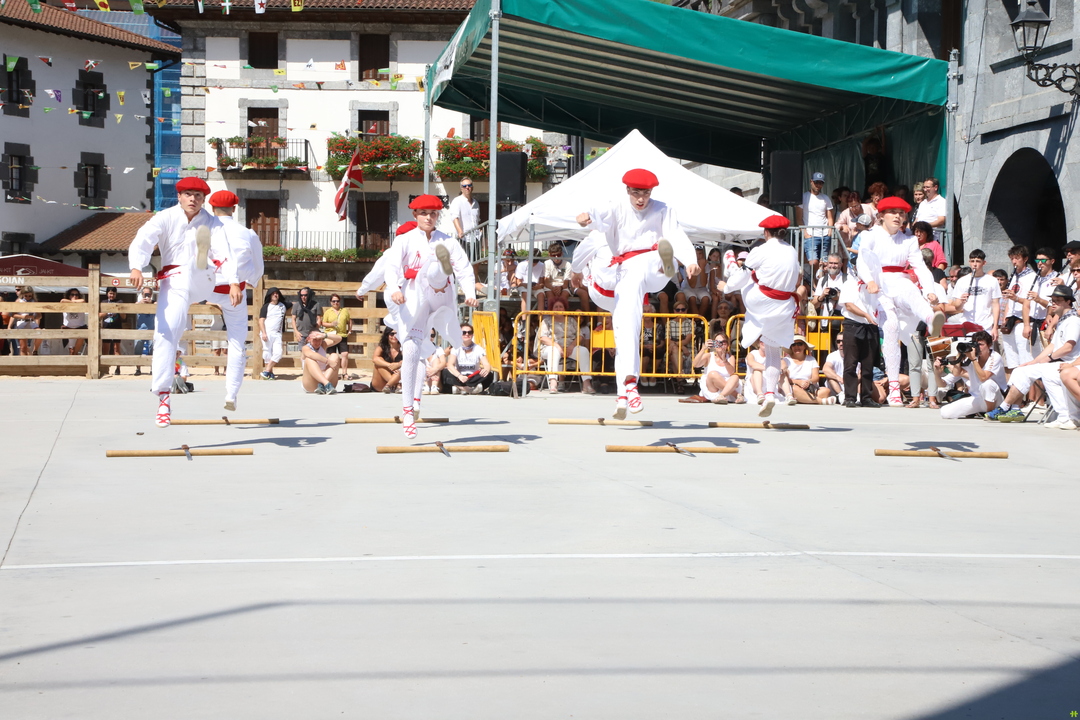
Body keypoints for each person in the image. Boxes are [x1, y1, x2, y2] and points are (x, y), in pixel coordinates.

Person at [573, 168, 698, 419]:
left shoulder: (662, 209)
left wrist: (690, 259)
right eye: (637, 194)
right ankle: (626, 391)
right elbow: (598, 215)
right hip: (613, 283)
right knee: (626, 334)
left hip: (645, 270)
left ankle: (667, 262)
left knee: (629, 326)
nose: (642, 199)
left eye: (646, 194)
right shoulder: (614, 210)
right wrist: (587, 218)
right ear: (628, 190)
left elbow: (676, 233)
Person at [128, 176, 235, 427]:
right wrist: (136, 267)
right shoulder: (165, 217)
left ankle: (200, 257)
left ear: (204, 199)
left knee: (199, 265)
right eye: (188, 194)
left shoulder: (212, 222)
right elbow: (143, 239)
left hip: (203, 278)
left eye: (198, 196)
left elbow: (225, 252)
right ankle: (163, 398)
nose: (193, 199)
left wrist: (233, 281)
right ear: (179, 196)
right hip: (174, 283)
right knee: (166, 332)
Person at [382, 194, 477, 438]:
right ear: (415, 214)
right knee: (413, 350)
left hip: (440, 296)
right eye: (424, 213)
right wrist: (393, 289)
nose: (429, 217)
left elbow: (464, 268)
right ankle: (409, 409)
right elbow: (391, 267)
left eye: (433, 213)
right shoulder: (404, 239)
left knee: (437, 273)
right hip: (414, 298)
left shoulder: (447, 240)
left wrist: (469, 292)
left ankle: (439, 269)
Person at [856, 196, 945, 406]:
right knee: (891, 327)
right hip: (878, 287)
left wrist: (930, 291)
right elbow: (861, 261)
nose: (897, 216)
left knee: (910, 290)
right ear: (881, 216)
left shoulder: (909, 240)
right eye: (893, 212)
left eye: (901, 213)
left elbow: (920, 267)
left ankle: (931, 318)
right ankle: (894, 386)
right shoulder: (869, 235)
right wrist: (869, 281)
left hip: (899, 281)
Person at [717, 215, 801, 417]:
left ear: (766, 233)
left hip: (763, 300)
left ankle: (730, 264)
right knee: (773, 351)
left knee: (744, 277)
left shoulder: (761, 250)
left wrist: (727, 287)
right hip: (784, 306)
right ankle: (770, 393)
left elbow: (745, 276)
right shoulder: (792, 250)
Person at [987, 285, 1079, 426]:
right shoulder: (1063, 320)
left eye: (1058, 300)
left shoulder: (1073, 321)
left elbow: (1068, 347)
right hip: (1058, 362)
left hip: (1071, 364)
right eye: (1053, 300)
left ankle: (1065, 416)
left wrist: (1048, 358)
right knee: (1021, 369)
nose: (1054, 303)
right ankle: (1013, 408)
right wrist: (1034, 361)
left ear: (1068, 302)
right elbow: (1052, 345)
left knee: (1048, 374)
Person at [205, 190, 262, 409]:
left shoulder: (204, 230)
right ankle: (231, 393)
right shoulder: (248, 233)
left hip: (207, 288)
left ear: (212, 208)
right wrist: (251, 281)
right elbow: (258, 267)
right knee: (237, 343)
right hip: (235, 291)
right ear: (235, 209)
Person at [939, 330, 1006, 419]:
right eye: (976, 345)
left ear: (989, 345)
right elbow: (956, 373)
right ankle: (981, 411)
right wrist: (959, 355)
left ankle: (991, 413)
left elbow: (983, 377)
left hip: (997, 399)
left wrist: (973, 359)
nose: (978, 347)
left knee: (987, 384)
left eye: (981, 344)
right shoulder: (971, 356)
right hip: (977, 398)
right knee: (945, 412)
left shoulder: (995, 357)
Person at [838, 271, 881, 407]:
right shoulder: (850, 283)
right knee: (850, 364)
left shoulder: (874, 284)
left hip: (870, 325)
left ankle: (866, 397)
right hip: (853, 325)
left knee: (868, 365)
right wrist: (865, 315)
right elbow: (849, 305)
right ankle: (850, 397)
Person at [537, 298, 593, 394]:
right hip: (551, 348)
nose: (558, 309)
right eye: (556, 307)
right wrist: (558, 347)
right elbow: (543, 338)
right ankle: (553, 382)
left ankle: (586, 384)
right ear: (552, 309)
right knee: (553, 351)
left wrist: (571, 346)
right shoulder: (546, 321)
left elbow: (580, 336)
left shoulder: (571, 320)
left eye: (560, 306)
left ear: (564, 308)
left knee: (583, 351)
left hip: (570, 347)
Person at [945, 248, 1001, 339]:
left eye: (978, 261)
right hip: (967, 325)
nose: (975, 264)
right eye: (972, 261)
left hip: (986, 326)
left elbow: (996, 305)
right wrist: (961, 302)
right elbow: (957, 307)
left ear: (984, 263)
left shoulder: (992, 281)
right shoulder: (962, 281)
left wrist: (995, 327)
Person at [1000, 244, 1037, 370]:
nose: (1014, 261)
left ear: (1025, 259)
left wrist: (1016, 298)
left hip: (1022, 320)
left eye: (1017, 258)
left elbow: (1031, 301)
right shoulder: (1013, 276)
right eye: (1012, 258)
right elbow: (1009, 302)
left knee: (1025, 360)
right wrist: (1005, 317)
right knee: (1012, 361)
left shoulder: (1032, 276)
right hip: (1010, 320)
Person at [795, 171, 834, 278]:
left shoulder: (825, 198)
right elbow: (798, 218)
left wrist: (830, 231)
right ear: (811, 182)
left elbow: (830, 216)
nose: (818, 185)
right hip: (810, 234)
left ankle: (819, 283)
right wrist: (805, 233)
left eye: (821, 183)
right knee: (813, 262)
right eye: (816, 182)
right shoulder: (803, 197)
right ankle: (815, 282)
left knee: (824, 262)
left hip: (825, 234)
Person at [442, 322, 495, 394]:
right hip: (459, 376)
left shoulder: (478, 349)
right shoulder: (456, 348)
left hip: (473, 377)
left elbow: (486, 364)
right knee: (445, 372)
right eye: (463, 332)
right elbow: (450, 364)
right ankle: (468, 389)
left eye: (469, 332)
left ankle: (459, 388)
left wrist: (486, 369)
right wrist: (459, 376)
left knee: (489, 375)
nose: (467, 334)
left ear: (472, 335)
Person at [692, 331, 741, 404]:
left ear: (727, 345)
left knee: (735, 376)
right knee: (712, 374)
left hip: (727, 387)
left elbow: (731, 372)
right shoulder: (709, 356)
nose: (720, 344)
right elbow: (695, 364)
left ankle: (721, 395)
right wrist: (703, 349)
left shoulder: (730, 357)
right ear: (714, 344)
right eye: (717, 342)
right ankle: (736, 394)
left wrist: (724, 360)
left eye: (723, 342)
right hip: (713, 388)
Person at [784, 335, 832, 404]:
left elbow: (816, 378)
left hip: (809, 388)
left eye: (799, 344)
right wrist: (798, 382)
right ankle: (821, 401)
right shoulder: (786, 360)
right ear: (791, 347)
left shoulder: (811, 359)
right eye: (793, 344)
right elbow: (784, 379)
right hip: (793, 386)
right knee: (793, 389)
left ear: (805, 346)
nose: (796, 347)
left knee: (826, 391)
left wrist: (808, 382)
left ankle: (803, 398)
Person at [258, 287, 290, 380]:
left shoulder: (283, 305)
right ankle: (270, 373)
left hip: (277, 333)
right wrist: (264, 333)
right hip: (267, 332)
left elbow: (294, 304)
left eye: (277, 293)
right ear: (270, 295)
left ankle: (267, 370)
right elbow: (261, 320)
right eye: (273, 293)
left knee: (278, 353)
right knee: (267, 352)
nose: (275, 295)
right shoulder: (266, 306)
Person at [321, 293, 352, 378]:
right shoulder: (328, 312)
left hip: (342, 335)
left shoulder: (344, 311)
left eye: (337, 301)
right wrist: (331, 324)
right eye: (334, 301)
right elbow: (323, 323)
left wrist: (350, 330)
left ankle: (344, 373)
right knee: (333, 355)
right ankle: (333, 373)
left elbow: (349, 321)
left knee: (345, 354)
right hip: (331, 335)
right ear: (330, 302)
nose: (336, 303)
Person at [448, 177, 480, 252]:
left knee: (476, 259)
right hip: (464, 238)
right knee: (465, 258)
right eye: (464, 186)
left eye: (469, 185)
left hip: (476, 237)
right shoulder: (457, 201)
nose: (467, 187)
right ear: (461, 189)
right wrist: (460, 231)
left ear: (472, 187)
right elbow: (455, 217)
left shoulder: (476, 203)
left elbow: (477, 219)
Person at [100, 286, 125, 373]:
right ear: (107, 294)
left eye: (113, 293)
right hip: (106, 326)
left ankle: (118, 368)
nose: (112, 295)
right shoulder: (103, 302)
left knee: (116, 348)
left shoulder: (119, 302)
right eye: (110, 293)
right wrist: (108, 310)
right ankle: (104, 368)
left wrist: (119, 310)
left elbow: (124, 316)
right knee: (105, 348)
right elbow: (99, 315)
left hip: (117, 326)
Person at [371, 325, 403, 393]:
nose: (394, 336)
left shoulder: (403, 348)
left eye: (397, 334)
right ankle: (396, 384)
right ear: (387, 335)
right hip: (380, 383)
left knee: (401, 370)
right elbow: (374, 359)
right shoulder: (382, 347)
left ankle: (389, 385)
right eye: (392, 334)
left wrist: (398, 364)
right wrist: (389, 365)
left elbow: (410, 360)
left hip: (397, 376)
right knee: (379, 364)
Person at [915, 177, 947, 242]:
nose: (925, 189)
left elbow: (941, 220)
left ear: (935, 187)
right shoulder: (922, 203)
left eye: (928, 187)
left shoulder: (942, 202)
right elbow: (917, 220)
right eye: (924, 187)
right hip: (919, 238)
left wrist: (925, 226)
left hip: (933, 239)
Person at [133, 286, 155, 374]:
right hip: (140, 330)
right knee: (138, 349)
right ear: (142, 295)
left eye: (148, 294)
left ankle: (152, 369)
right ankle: (138, 369)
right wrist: (141, 303)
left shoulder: (154, 304)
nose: (146, 296)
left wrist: (151, 302)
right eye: (145, 294)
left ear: (151, 295)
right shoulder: (138, 303)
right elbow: (134, 306)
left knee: (152, 349)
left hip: (151, 330)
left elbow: (159, 305)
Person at [60, 288, 88, 356]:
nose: (74, 296)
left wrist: (73, 301)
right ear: (69, 295)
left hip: (80, 328)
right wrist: (73, 302)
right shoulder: (65, 304)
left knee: (81, 337)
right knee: (71, 351)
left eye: (76, 295)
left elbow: (83, 301)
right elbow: (62, 301)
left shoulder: (81, 304)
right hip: (68, 328)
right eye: (72, 294)